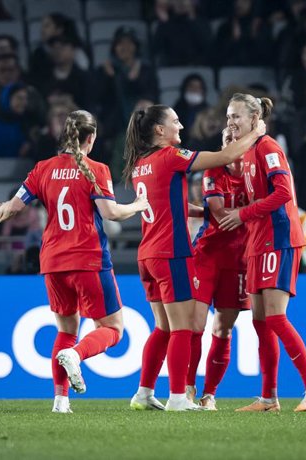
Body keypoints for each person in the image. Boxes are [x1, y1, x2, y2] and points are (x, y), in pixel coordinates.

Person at [0, 110, 149, 414]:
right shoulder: (97, 169)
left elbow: (10, 209)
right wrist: (138, 205)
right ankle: (76, 356)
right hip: (88, 259)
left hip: (52, 261)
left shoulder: (43, 169)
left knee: (65, 331)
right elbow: (112, 213)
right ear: (91, 138)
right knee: (113, 328)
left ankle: (61, 402)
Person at [123, 104, 265, 411]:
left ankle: (144, 393)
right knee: (182, 328)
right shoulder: (171, 157)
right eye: (175, 121)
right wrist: (256, 131)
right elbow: (226, 156)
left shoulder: (140, 164)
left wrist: (200, 212)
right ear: (159, 130)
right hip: (170, 252)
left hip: (146, 253)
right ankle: (177, 398)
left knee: (162, 327)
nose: (181, 127)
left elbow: (165, 204)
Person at [219, 93, 306, 412]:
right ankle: (269, 398)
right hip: (258, 240)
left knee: (277, 318)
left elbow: (283, 193)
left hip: (278, 238)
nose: (231, 122)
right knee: (260, 322)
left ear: (254, 118)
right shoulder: (249, 151)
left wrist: (243, 214)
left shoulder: (268, 148)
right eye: (228, 117)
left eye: (236, 116)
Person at [186, 126, 250, 410]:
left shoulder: (255, 175)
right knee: (193, 326)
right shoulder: (214, 172)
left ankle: (209, 395)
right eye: (225, 139)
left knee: (223, 329)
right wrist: (255, 210)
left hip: (238, 262)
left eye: (234, 139)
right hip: (207, 255)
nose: (229, 144)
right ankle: (186, 390)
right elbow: (219, 212)